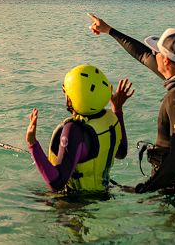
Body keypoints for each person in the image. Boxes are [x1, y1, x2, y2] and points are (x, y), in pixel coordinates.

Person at [87, 13, 175, 194]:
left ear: (167, 60)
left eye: (157, 52)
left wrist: (145, 190)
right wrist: (109, 30)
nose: (153, 54)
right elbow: (142, 55)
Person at [25, 64, 134, 194]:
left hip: (76, 205)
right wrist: (117, 109)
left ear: (74, 97)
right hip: (104, 195)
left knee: (28, 195)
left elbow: (57, 183)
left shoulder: (74, 130)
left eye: (66, 92)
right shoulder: (111, 119)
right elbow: (121, 152)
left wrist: (32, 144)